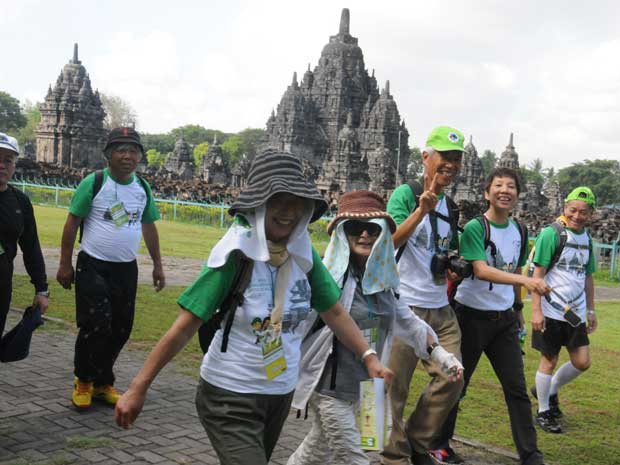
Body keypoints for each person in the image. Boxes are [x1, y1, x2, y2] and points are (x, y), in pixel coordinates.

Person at [114, 150, 392, 465]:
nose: (288, 211)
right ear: (259, 204)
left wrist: (369, 358)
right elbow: (184, 327)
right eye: (278, 200)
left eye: (296, 202)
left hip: (278, 395)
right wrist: (139, 386)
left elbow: (335, 312)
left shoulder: (303, 256)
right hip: (229, 395)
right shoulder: (235, 256)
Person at [287, 190, 463, 465]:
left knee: (317, 450)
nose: (365, 235)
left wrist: (441, 355)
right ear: (343, 234)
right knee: (354, 458)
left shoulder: (384, 284)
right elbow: (293, 317)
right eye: (356, 228)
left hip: (365, 389)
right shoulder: (328, 280)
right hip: (329, 388)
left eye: (372, 228)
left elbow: (408, 321)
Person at [435, 167, 550, 465]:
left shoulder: (520, 231)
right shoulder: (476, 228)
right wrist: (526, 283)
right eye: (498, 185)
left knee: (516, 389)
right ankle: (439, 443)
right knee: (457, 384)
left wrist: (518, 309)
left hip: (504, 321)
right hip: (470, 317)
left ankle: (531, 455)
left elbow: (514, 270)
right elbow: (481, 269)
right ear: (487, 192)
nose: (505, 190)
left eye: (511, 186)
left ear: (517, 195)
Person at [56, 127, 165, 410]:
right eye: (121, 150)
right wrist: (65, 263)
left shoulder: (142, 187)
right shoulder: (95, 182)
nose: (128, 156)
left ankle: (103, 383)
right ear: (108, 154)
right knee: (96, 324)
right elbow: (72, 224)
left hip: (126, 269)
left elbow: (149, 226)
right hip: (93, 264)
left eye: (133, 150)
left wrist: (157, 265)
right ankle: (83, 380)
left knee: (120, 328)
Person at [381, 126, 466, 465]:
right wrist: (421, 211)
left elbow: (446, 251)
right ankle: (393, 457)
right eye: (446, 157)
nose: (452, 165)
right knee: (393, 388)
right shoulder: (406, 193)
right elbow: (389, 243)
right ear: (426, 157)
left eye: (457, 159)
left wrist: (454, 266)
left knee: (452, 377)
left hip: (440, 308)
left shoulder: (452, 208)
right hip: (405, 304)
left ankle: (416, 442)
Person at [530, 187, 598, 434]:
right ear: (565, 208)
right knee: (549, 359)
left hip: (576, 311)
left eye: (583, 212)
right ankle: (544, 411)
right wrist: (536, 310)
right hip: (551, 309)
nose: (577, 216)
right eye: (573, 210)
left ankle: (548, 390)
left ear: (591, 213)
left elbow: (588, 277)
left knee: (582, 361)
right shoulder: (551, 234)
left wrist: (591, 310)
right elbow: (537, 275)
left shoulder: (587, 239)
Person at [0, 132, 49, 342]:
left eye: (7, 161)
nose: (1, 165)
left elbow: (31, 247)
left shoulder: (20, 202)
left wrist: (42, 289)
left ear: (13, 166)